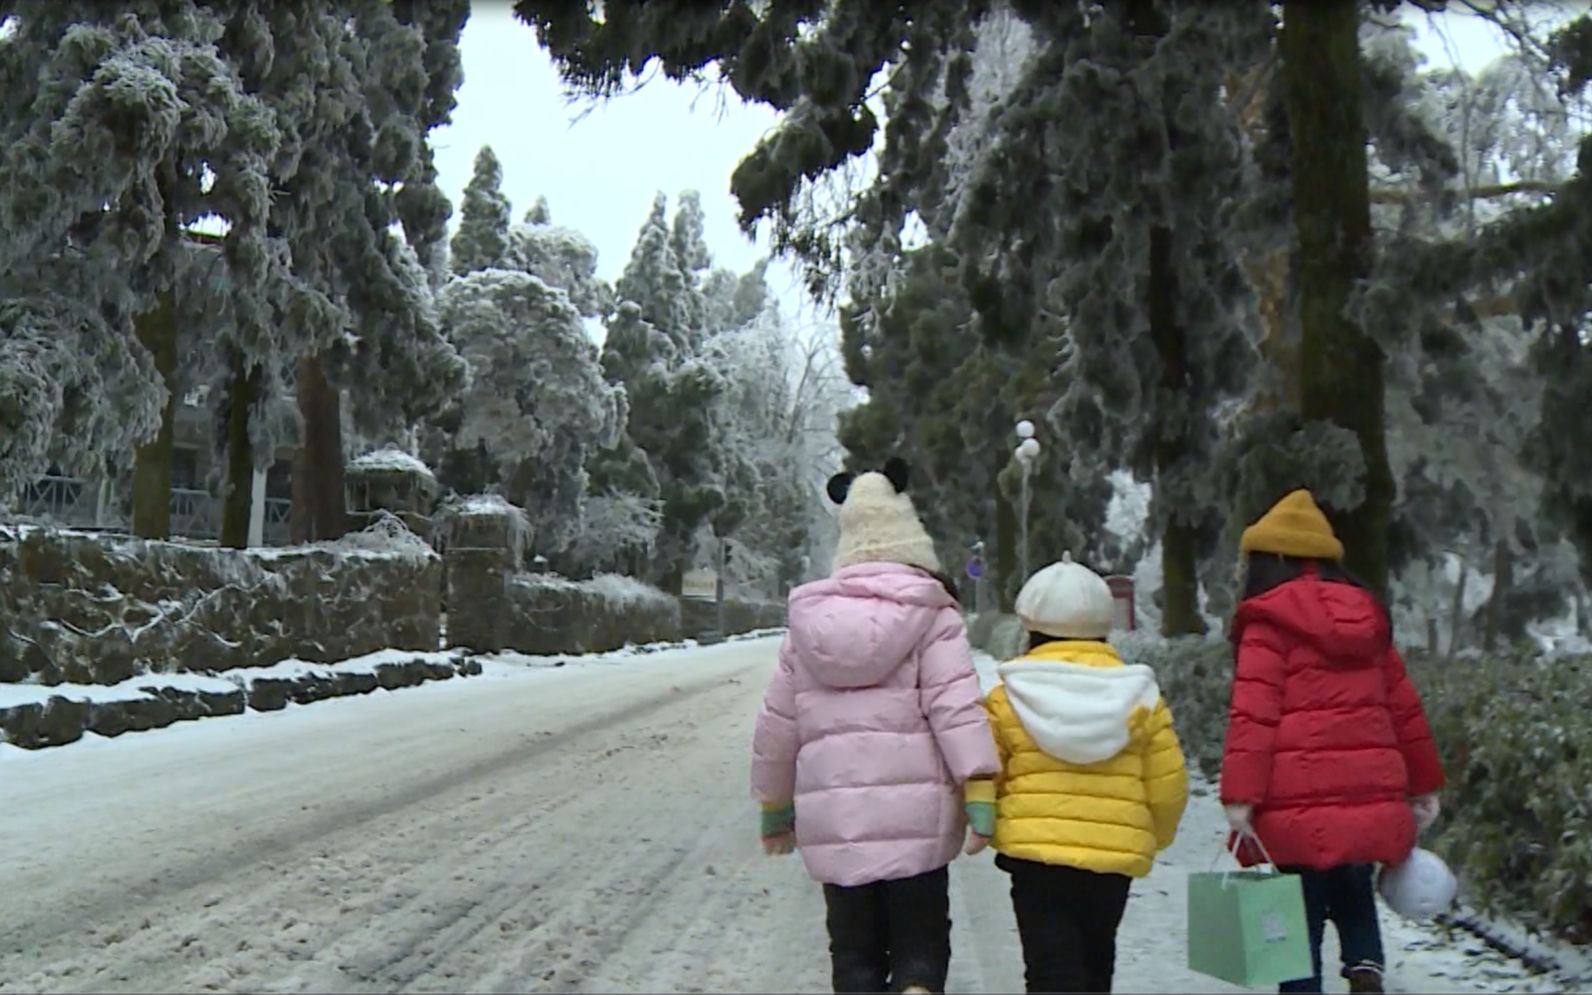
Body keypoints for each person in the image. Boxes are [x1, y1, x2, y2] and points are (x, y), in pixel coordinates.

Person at [750, 458, 999, 995]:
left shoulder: (808, 627)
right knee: (921, 943)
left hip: (836, 823)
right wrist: (980, 787)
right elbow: (956, 706)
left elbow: (778, 724)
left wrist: (774, 807)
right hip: (918, 821)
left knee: (854, 953)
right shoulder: (933, 614)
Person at [1220, 489, 1445, 995]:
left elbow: (1253, 717)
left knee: (1295, 917)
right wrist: (1424, 783)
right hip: (1368, 796)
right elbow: (1403, 707)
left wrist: (1239, 797)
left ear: (1271, 559)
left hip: (1292, 804)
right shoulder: (1368, 615)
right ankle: (1366, 967)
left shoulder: (1267, 620)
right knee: (1352, 885)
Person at [984, 552, 1189, 993]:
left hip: (1035, 858)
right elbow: (1169, 783)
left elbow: (988, 772)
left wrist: (994, 817)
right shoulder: (1140, 694)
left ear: (1030, 626)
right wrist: (1154, 833)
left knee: (1049, 970)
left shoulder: (1008, 697)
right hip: (1112, 859)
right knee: (1097, 965)